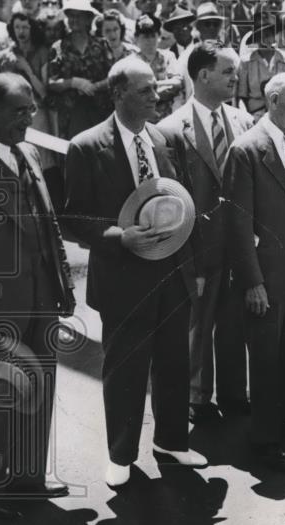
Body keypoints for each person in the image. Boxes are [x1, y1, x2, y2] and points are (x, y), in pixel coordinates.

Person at [63, 57, 206, 489]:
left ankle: (171, 442)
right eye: (145, 91)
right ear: (118, 93)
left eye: (155, 90)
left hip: (171, 272)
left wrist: (193, 269)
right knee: (125, 369)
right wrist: (117, 237)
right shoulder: (86, 146)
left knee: (174, 362)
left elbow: (183, 205)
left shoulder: (166, 139)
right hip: (123, 276)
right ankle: (120, 455)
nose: (155, 97)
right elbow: (74, 216)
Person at [0, 73, 75, 518]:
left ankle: (29, 474)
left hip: (42, 298)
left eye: (30, 109)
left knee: (40, 387)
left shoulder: (28, 153)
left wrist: (62, 287)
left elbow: (49, 225)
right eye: (18, 112)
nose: (28, 118)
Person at [223, 72, 285, 473]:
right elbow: (237, 224)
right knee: (264, 358)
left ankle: (283, 418)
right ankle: (264, 440)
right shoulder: (245, 150)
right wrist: (252, 282)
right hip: (264, 274)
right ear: (275, 101)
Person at [157, 42, 253, 426]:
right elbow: (170, 197)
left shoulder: (244, 122)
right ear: (202, 75)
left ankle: (235, 393)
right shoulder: (169, 129)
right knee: (199, 321)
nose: (236, 78)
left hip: (239, 243)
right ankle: (198, 397)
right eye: (228, 71)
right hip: (198, 244)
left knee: (236, 321)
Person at [45, 0, 113, 140]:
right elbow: (51, 83)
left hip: (100, 110)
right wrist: (74, 82)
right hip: (71, 114)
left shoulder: (101, 44)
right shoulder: (58, 47)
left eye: (79, 16)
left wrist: (95, 87)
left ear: (88, 18)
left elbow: (113, 76)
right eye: (71, 16)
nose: (74, 20)